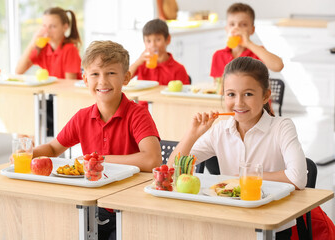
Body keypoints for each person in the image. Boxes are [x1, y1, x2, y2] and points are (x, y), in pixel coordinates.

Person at [28, 40, 162, 239]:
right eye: (95, 74)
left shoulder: (138, 115)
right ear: (85, 79)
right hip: (94, 204)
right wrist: (28, 153)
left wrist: (102, 159)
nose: (102, 81)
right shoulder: (82, 117)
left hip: (130, 207)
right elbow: (53, 148)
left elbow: (153, 160)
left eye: (111, 73)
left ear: (126, 78)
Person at [168, 57, 307, 240]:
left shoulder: (282, 127)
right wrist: (193, 133)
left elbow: (298, 178)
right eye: (231, 94)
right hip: (230, 221)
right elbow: (171, 169)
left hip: (272, 224)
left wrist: (243, 179)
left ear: (265, 96)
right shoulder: (219, 130)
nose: (239, 103)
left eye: (248, 94)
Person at [210, 3, 284, 83]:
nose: (236, 28)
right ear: (226, 29)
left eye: (243, 25)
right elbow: (218, 87)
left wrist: (248, 43)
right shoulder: (218, 55)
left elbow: (278, 66)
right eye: (232, 24)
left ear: (252, 30)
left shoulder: (257, 53)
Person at [16, 7, 82, 80]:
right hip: (51, 90)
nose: (47, 31)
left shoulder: (70, 49)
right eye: (44, 26)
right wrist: (32, 42)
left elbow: (70, 84)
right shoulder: (42, 48)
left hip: (64, 90)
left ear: (65, 27)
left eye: (53, 26)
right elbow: (19, 71)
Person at [130, 19, 190, 85]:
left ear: (168, 39)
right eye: (148, 41)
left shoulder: (178, 69)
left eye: (158, 40)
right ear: (144, 42)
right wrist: (138, 62)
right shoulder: (141, 66)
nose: (153, 45)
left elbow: (185, 92)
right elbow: (124, 79)